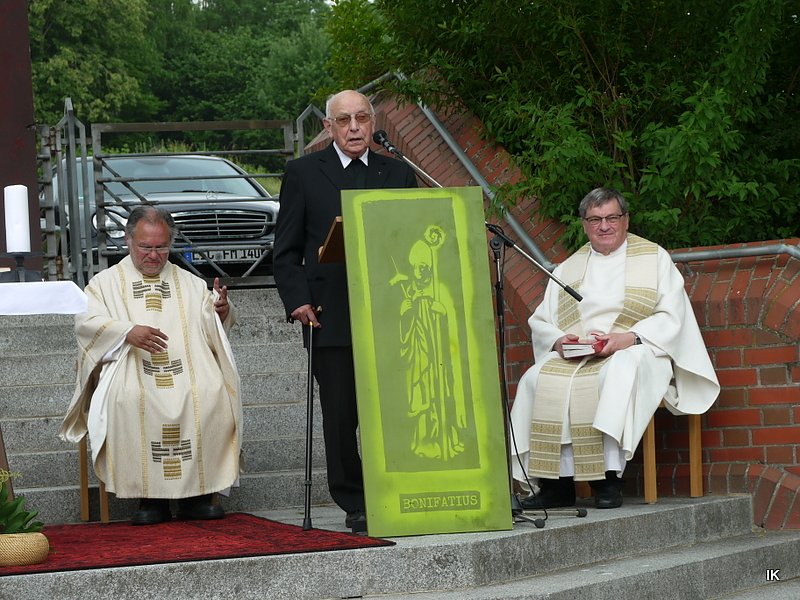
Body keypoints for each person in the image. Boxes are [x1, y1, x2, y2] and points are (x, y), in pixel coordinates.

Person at [509, 187, 719, 509]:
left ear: (625, 220)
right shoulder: (568, 268)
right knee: (534, 379)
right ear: (584, 224)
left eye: (611, 217)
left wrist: (629, 338)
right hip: (581, 353)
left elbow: (672, 315)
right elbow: (542, 320)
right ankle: (555, 484)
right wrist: (558, 341)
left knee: (617, 372)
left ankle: (606, 481)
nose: (603, 226)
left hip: (638, 348)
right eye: (595, 219)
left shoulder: (654, 258)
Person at [273, 89, 418, 532]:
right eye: (344, 120)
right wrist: (297, 300)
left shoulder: (397, 173)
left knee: (395, 407)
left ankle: (400, 490)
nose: (354, 128)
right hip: (329, 313)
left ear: (373, 123)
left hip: (392, 313)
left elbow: (412, 239)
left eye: (361, 118)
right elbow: (286, 250)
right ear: (328, 127)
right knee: (341, 414)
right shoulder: (302, 173)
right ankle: (355, 501)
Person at [60, 206, 242, 525]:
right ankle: (150, 499)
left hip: (187, 369)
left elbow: (208, 319)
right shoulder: (104, 284)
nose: (154, 255)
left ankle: (196, 497)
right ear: (129, 241)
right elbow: (85, 322)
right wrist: (126, 331)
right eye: (146, 247)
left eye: (161, 247)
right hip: (129, 369)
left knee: (211, 392)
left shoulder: (190, 283)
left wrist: (221, 310)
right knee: (129, 399)